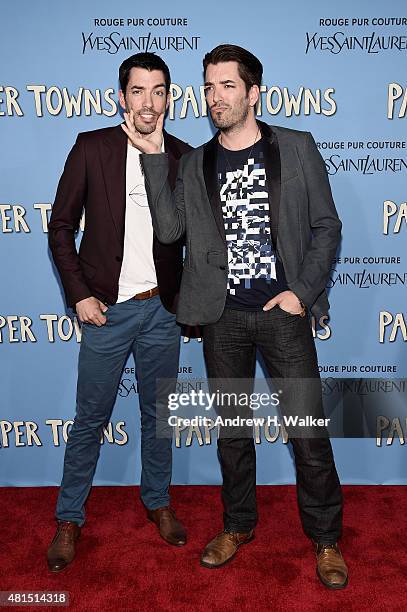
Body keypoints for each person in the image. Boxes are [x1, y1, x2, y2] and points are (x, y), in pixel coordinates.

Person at [124, 43, 348, 589]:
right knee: (232, 434)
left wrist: (301, 291)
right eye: (207, 87)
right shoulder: (196, 161)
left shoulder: (295, 148)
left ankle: (325, 539)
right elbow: (172, 231)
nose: (214, 97)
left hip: (283, 315)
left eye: (226, 86)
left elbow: (327, 227)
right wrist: (154, 153)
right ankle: (238, 526)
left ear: (253, 92)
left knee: (308, 435)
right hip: (221, 319)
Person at [47, 52, 191, 573]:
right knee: (90, 420)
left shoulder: (182, 155)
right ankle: (69, 518)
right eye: (138, 91)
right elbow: (61, 227)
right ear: (121, 96)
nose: (148, 102)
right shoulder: (92, 148)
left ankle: (158, 502)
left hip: (162, 313)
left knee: (159, 420)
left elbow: (187, 239)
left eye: (158, 91)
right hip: (106, 311)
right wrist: (79, 294)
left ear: (169, 98)